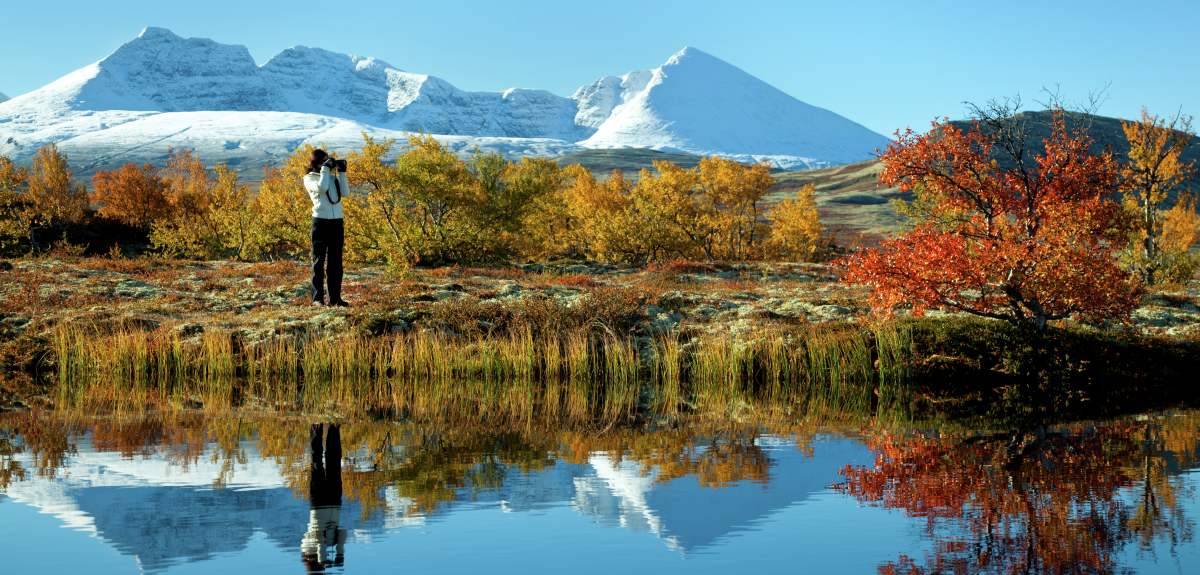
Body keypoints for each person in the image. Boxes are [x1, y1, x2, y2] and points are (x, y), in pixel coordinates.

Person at [304, 149, 351, 307]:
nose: (328, 164)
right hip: (320, 222)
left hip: (337, 222)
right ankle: (317, 299)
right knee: (318, 262)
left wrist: (342, 173)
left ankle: (335, 299)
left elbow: (345, 193)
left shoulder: (331, 177)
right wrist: (325, 169)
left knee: (336, 262)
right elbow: (322, 188)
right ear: (316, 163)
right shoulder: (309, 178)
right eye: (324, 161)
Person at [301, 423, 346, 572]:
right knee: (334, 461)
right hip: (335, 502)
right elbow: (343, 532)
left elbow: (318, 535)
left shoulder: (306, 550)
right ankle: (334, 426)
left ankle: (315, 424)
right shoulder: (332, 544)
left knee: (317, 460)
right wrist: (340, 553)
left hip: (319, 504)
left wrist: (321, 556)